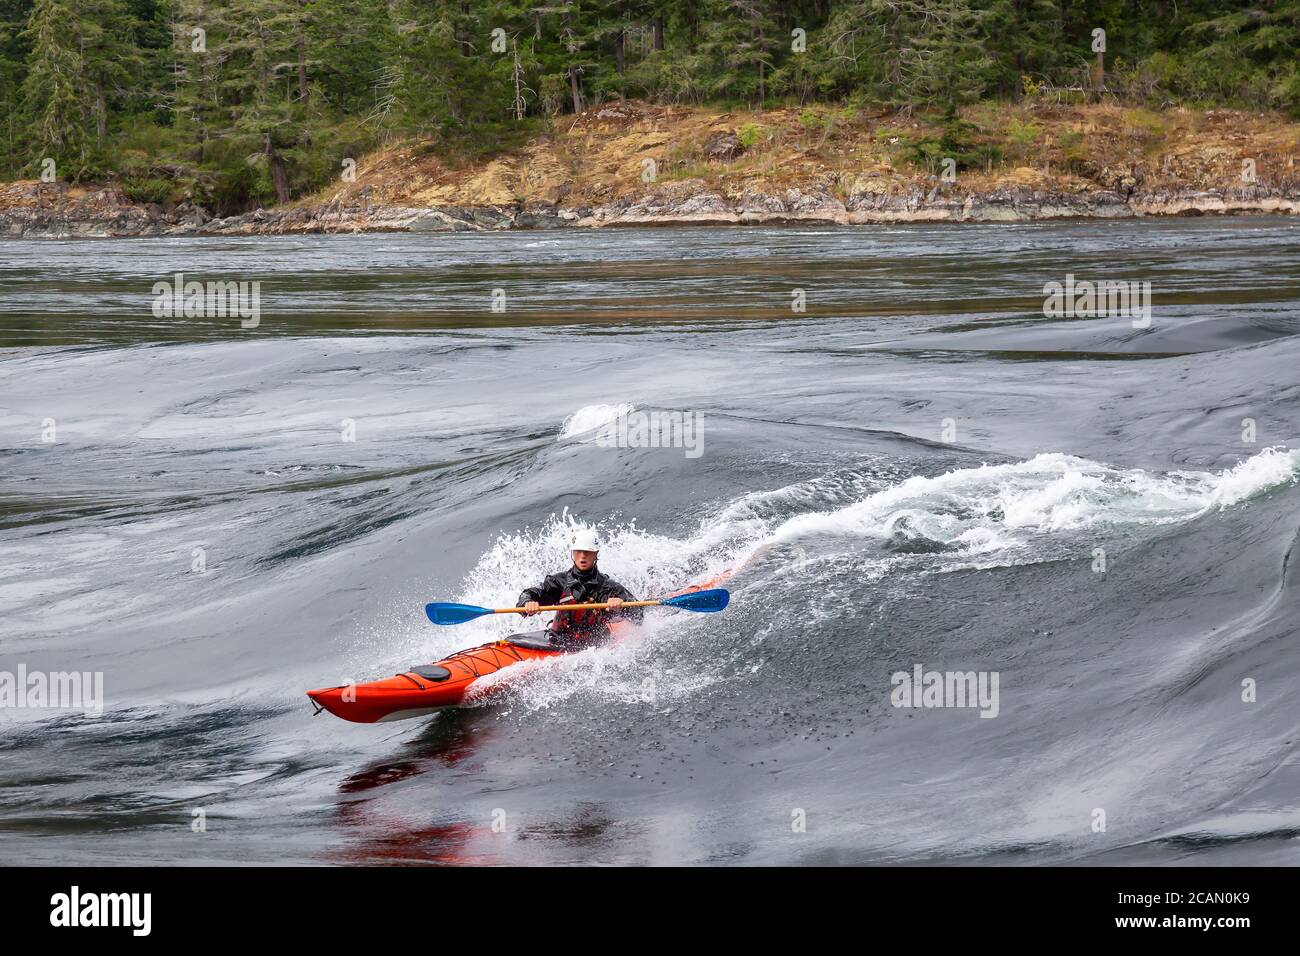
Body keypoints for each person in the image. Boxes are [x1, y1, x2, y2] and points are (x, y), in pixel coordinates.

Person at [516, 529, 642, 646]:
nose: (582, 556)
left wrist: (622, 606)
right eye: (578, 551)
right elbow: (528, 594)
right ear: (572, 553)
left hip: (595, 646)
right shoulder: (558, 582)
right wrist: (527, 603)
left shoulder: (609, 587)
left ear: (596, 554)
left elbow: (639, 615)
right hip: (557, 640)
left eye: (587, 552)